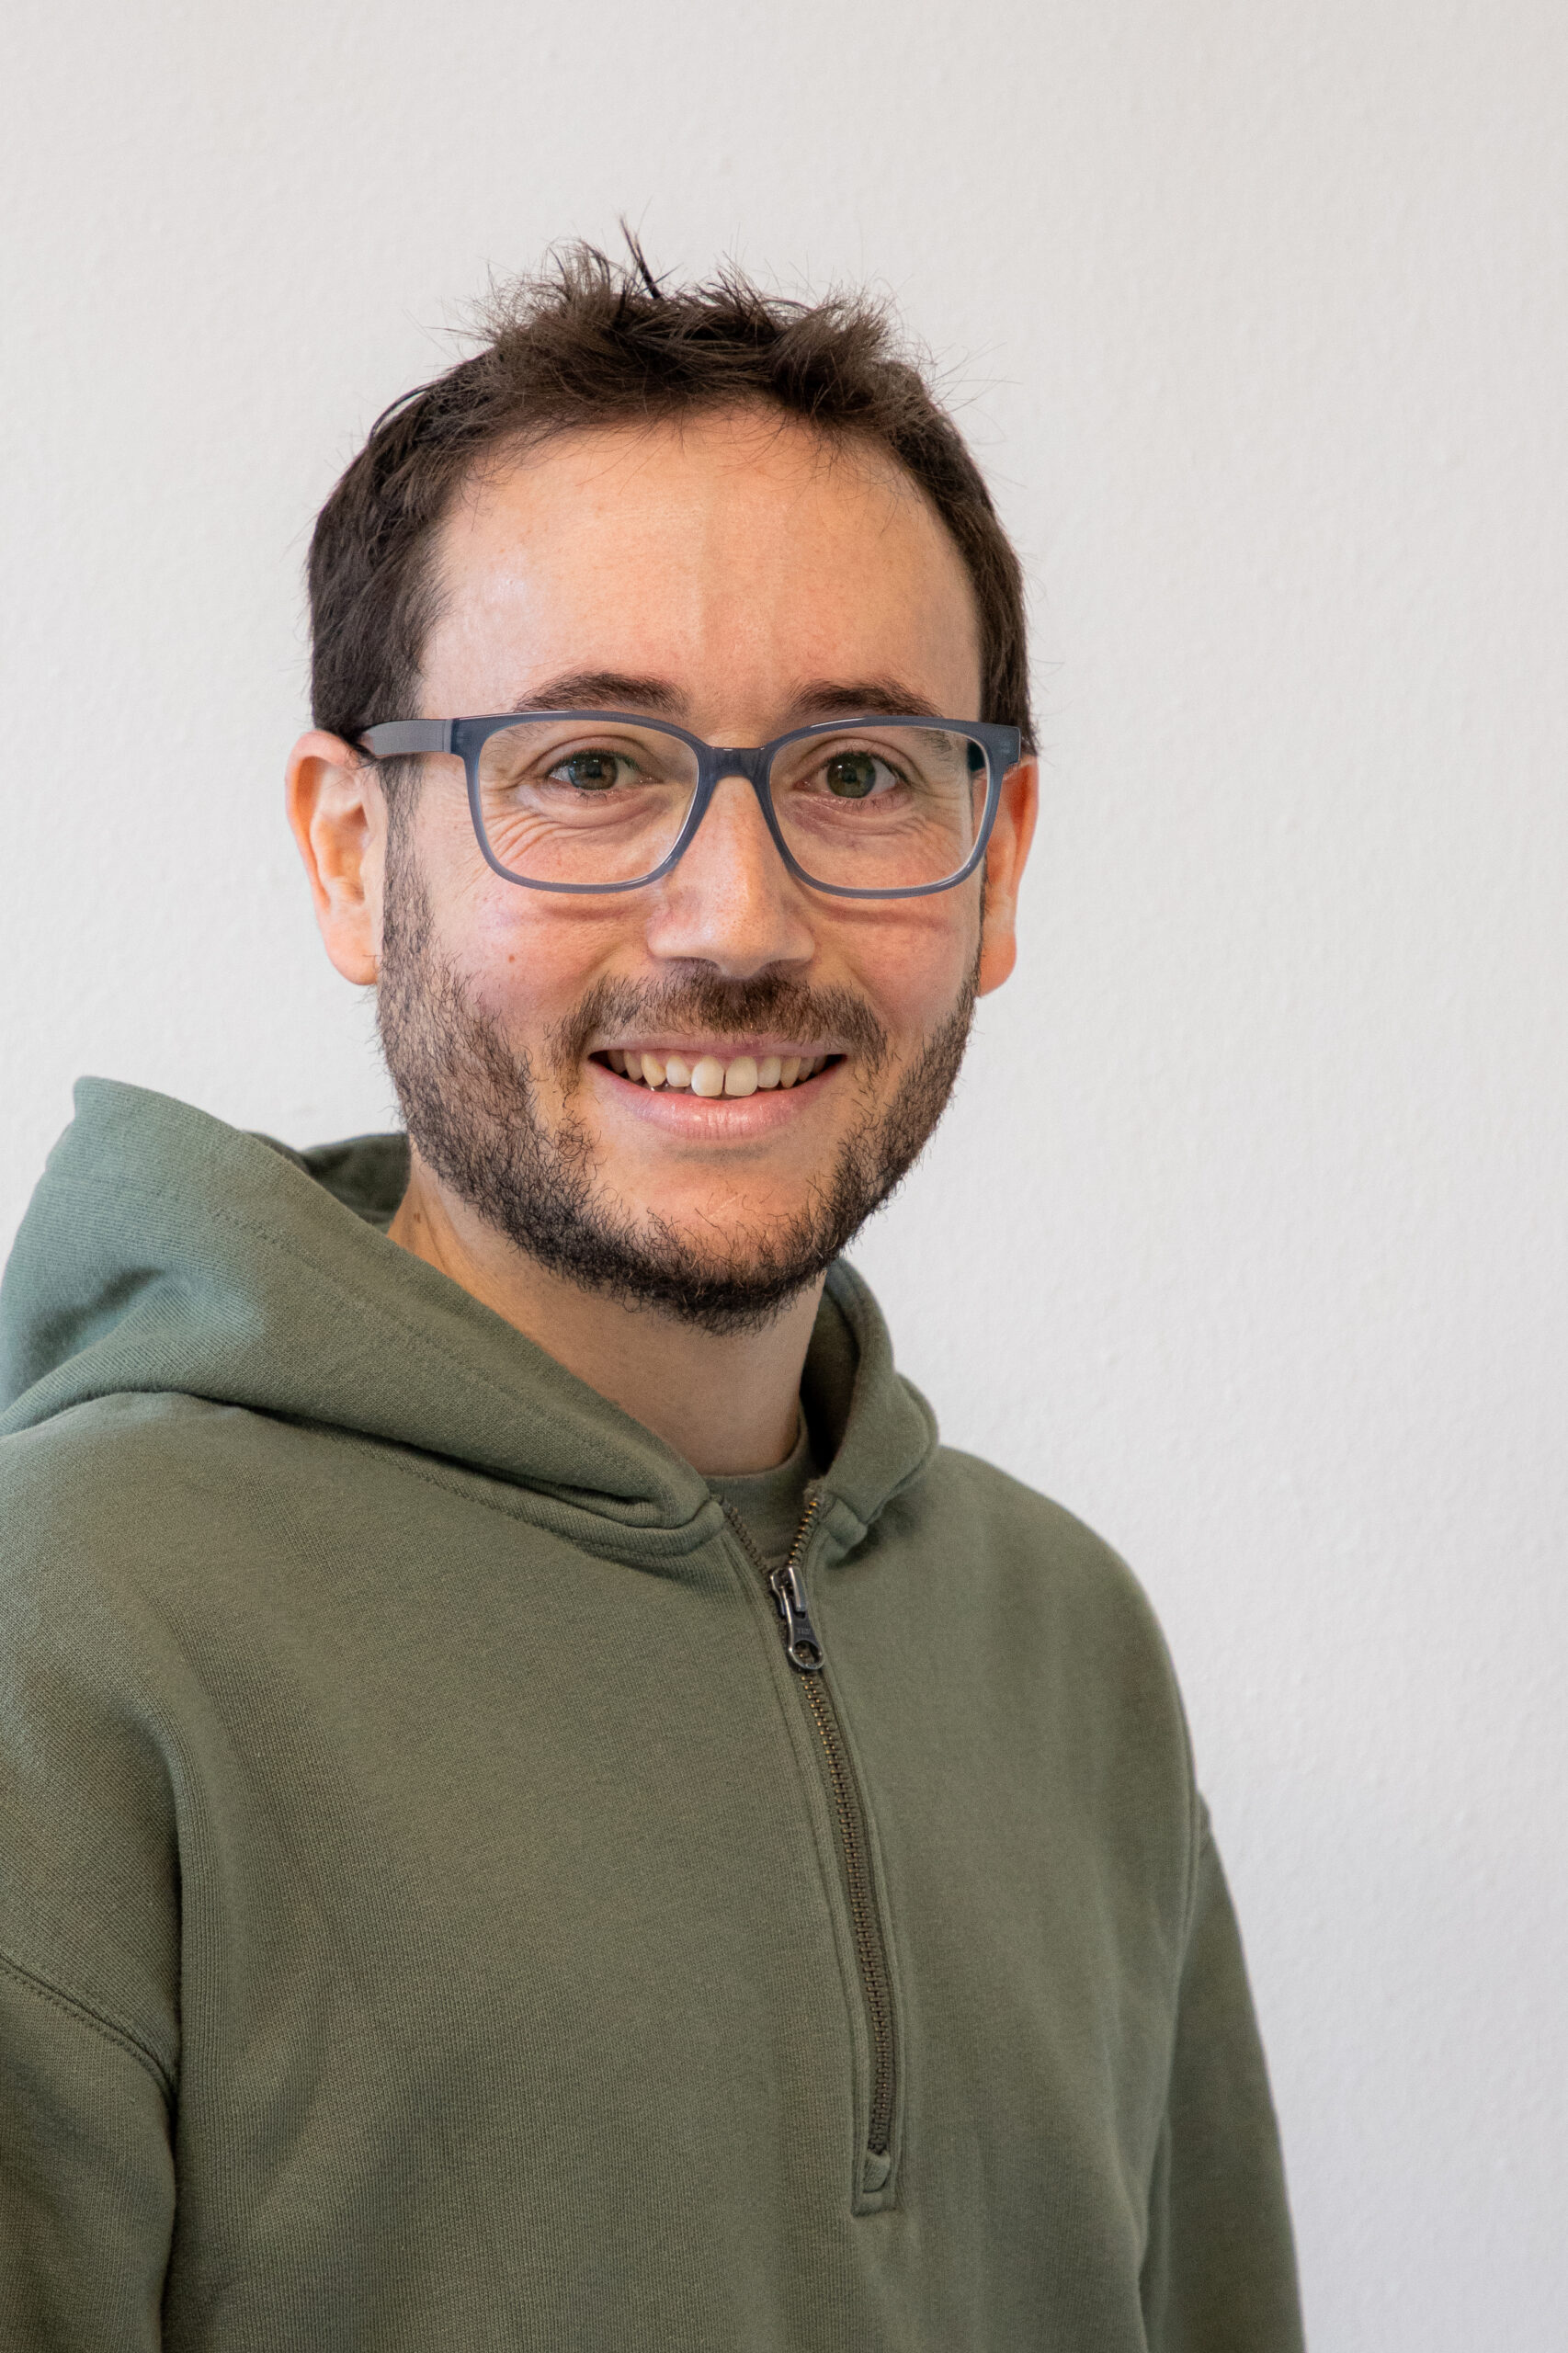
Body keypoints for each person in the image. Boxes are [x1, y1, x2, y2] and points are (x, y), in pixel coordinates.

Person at [0, 244, 1302, 2348]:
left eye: (859, 771)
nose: (734, 920)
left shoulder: (1074, 1649)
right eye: (590, 765)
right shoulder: (62, 1623)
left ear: (997, 857)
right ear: (352, 853)